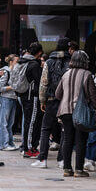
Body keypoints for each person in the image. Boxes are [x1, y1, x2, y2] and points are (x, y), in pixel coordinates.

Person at [54, 50, 96, 177]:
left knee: (68, 140)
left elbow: (58, 94)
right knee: (81, 140)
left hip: (65, 110)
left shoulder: (66, 74)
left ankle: (67, 169)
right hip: (81, 112)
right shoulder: (87, 74)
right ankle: (79, 169)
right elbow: (93, 95)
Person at [33, 37, 71, 169]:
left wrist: (42, 100)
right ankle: (62, 160)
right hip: (66, 101)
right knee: (65, 131)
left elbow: (44, 83)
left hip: (51, 99)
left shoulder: (49, 61)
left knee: (45, 129)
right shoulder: (71, 61)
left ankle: (42, 159)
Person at [16, 42, 44, 158]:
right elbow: (39, 82)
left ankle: (26, 147)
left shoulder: (22, 61)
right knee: (31, 122)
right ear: (39, 53)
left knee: (27, 121)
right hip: (31, 96)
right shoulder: (34, 64)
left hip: (23, 95)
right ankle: (28, 149)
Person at [0, 54, 20, 151]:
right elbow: (0, 88)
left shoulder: (15, 72)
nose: (18, 63)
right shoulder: (6, 72)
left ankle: (10, 143)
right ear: (11, 62)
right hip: (6, 99)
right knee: (4, 123)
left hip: (13, 99)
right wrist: (13, 87)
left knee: (10, 123)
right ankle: (4, 144)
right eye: (16, 61)